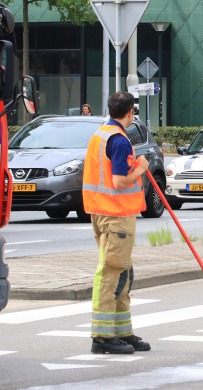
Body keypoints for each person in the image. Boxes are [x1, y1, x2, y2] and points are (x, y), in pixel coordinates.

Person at [82, 91, 150, 354]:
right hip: (116, 216)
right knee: (112, 274)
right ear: (130, 112)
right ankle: (102, 337)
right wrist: (141, 169)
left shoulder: (101, 134)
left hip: (102, 213)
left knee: (122, 272)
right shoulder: (119, 141)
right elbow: (119, 182)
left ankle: (122, 332)